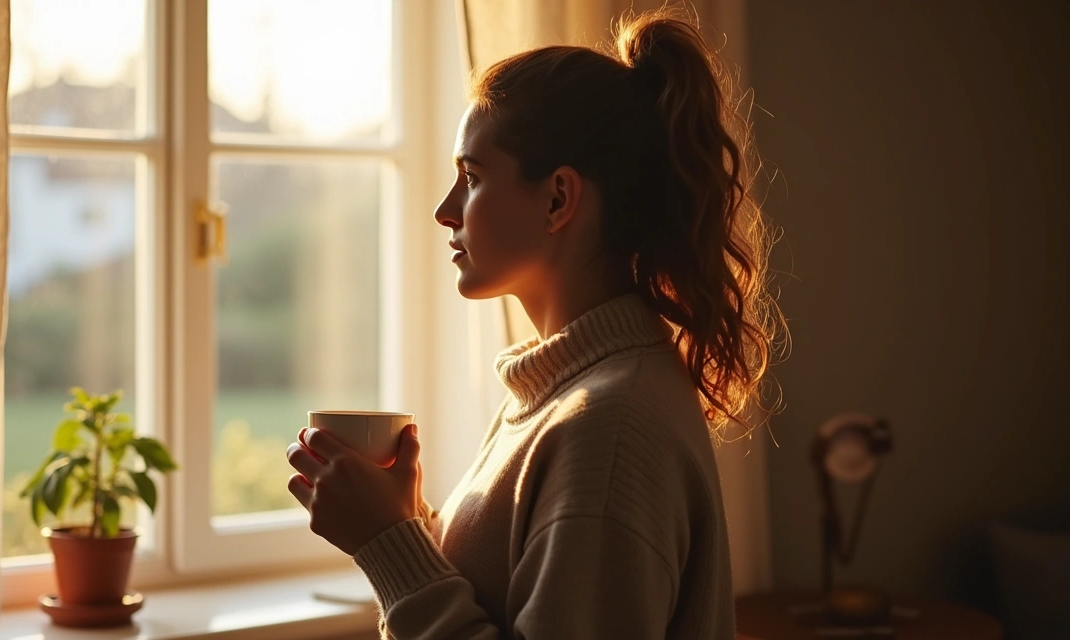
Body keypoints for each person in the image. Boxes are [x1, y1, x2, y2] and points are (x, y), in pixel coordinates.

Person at [285, 7, 784, 639]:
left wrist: (388, 547)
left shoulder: (609, 426)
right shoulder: (560, 396)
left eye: (471, 177)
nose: (445, 211)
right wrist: (408, 525)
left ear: (557, 199)